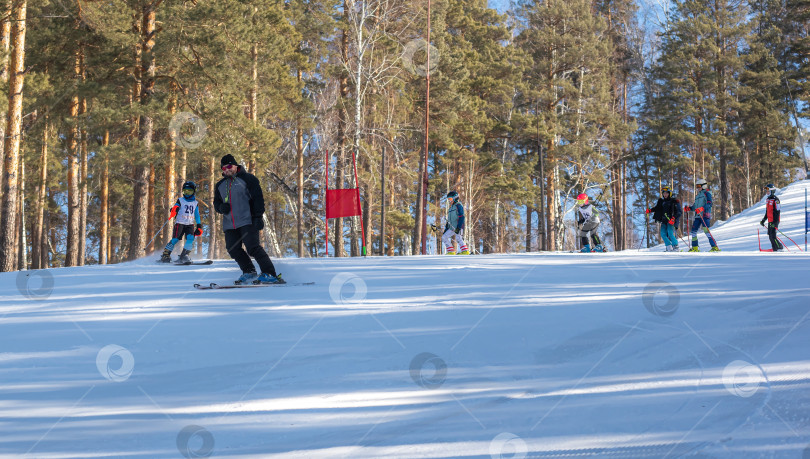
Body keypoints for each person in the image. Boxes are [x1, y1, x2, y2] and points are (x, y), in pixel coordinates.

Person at [213, 154, 283, 284]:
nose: (226, 170)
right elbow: (216, 203)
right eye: (223, 168)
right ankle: (249, 272)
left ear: (235, 165)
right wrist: (221, 207)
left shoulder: (248, 179)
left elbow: (258, 198)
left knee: (253, 247)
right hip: (229, 224)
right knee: (233, 249)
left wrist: (258, 216)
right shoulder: (220, 185)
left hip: (247, 220)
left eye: (229, 166)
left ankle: (270, 273)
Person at [160, 181, 203, 264]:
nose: (187, 194)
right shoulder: (180, 200)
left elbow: (197, 215)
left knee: (190, 238)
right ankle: (166, 255)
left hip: (190, 224)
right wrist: (174, 209)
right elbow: (175, 206)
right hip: (180, 223)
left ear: (194, 192)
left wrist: (199, 226)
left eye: (189, 191)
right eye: (185, 191)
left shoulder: (195, 203)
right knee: (175, 239)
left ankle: (184, 255)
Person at [684, 178, 720, 252]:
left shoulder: (707, 193)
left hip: (704, 215)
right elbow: (695, 206)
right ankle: (695, 248)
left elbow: (710, 203)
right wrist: (689, 208)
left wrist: (702, 208)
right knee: (693, 231)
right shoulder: (697, 196)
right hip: (697, 216)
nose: (698, 188)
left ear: (703, 186)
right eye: (697, 186)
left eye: (699, 186)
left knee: (706, 231)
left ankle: (715, 247)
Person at [646, 184, 683, 252]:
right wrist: (650, 210)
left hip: (671, 221)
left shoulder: (674, 201)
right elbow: (657, 208)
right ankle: (669, 247)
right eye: (664, 193)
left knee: (670, 232)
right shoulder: (661, 202)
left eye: (666, 193)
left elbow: (679, 212)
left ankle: (676, 247)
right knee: (662, 233)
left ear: (669, 193)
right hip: (664, 221)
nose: (665, 195)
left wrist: (673, 218)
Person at [442, 191, 470, 255]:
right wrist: (446, 229)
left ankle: (465, 251)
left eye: (450, 199)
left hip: (458, 225)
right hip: (451, 227)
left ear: (455, 198)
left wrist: (459, 227)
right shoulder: (451, 208)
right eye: (448, 199)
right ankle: (451, 251)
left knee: (458, 238)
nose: (449, 201)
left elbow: (462, 216)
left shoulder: (458, 205)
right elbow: (449, 220)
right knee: (444, 237)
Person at [760, 183, 783, 252]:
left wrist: (774, 222)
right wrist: (763, 220)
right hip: (770, 221)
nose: (767, 192)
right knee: (770, 235)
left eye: (768, 191)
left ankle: (779, 247)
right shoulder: (768, 200)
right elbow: (767, 212)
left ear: (772, 191)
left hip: (775, 221)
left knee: (773, 236)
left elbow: (777, 212)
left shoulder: (776, 200)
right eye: (766, 191)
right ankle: (774, 249)